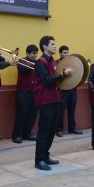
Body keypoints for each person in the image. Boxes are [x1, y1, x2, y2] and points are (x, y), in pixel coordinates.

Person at [33, 35, 72, 171]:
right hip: (45, 101)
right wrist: (62, 75)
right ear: (44, 47)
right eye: (52, 44)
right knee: (43, 131)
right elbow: (46, 81)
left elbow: (56, 79)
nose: (55, 46)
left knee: (51, 131)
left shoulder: (53, 62)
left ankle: (45, 156)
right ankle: (39, 160)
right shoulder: (41, 63)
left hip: (56, 99)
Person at [12, 44, 39, 143]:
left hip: (34, 91)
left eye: (36, 53)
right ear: (27, 53)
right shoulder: (22, 61)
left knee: (32, 113)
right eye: (32, 53)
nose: (34, 55)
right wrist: (34, 64)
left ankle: (27, 133)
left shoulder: (37, 62)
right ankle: (17, 135)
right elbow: (23, 69)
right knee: (22, 113)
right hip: (23, 91)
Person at [56, 45, 83, 137]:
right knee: (61, 110)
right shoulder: (57, 63)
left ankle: (72, 128)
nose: (66, 54)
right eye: (64, 53)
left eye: (67, 52)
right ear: (60, 53)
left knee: (72, 109)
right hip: (62, 90)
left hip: (72, 89)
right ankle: (58, 129)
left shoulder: (72, 63)